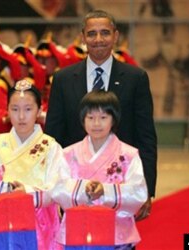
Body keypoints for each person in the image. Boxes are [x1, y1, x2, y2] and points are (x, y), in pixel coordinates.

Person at [45, 9, 157, 220]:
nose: (98, 39)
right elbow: (53, 138)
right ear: (83, 37)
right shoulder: (63, 79)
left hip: (120, 192)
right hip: (74, 193)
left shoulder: (136, 78)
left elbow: (146, 137)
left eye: (105, 33)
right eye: (92, 33)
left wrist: (147, 190)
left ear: (115, 36)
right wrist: (52, 186)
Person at [0, 79, 71, 250]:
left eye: (28, 109)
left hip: (42, 229)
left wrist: (27, 194)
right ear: (7, 111)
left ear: (39, 111)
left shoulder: (51, 147)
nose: (21, 116)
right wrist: (12, 192)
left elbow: (59, 188)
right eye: (15, 109)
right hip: (5, 226)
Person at [53, 90, 147, 249]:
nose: (96, 123)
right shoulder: (68, 154)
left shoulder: (128, 155)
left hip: (116, 234)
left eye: (103, 117)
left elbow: (138, 192)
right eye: (90, 117)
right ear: (83, 120)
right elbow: (57, 188)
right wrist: (85, 190)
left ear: (114, 119)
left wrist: (105, 191)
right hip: (78, 233)